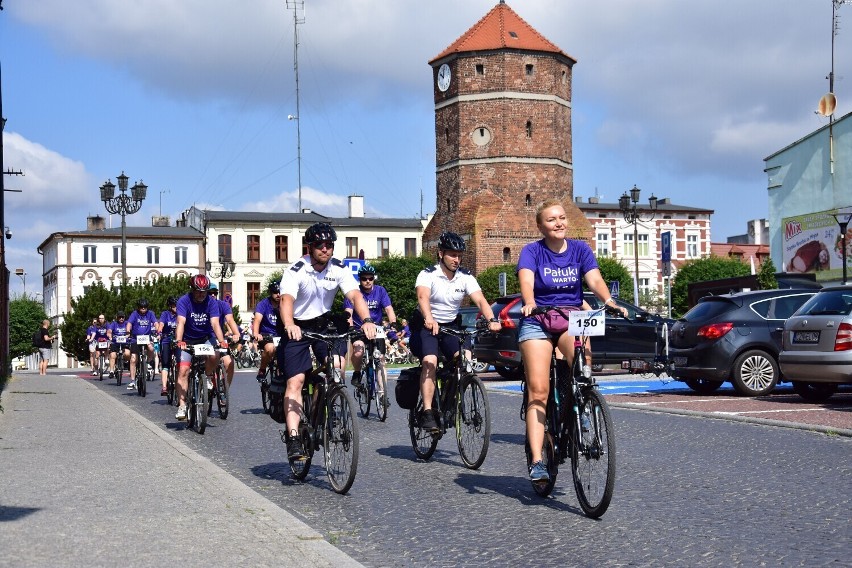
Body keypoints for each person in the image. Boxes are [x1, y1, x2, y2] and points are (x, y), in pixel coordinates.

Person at [517, 200, 627, 483]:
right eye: (552, 219)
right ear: (541, 226)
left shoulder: (580, 250)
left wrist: (609, 301)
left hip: (570, 317)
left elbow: (594, 279)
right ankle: (538, 460)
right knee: (539, 391)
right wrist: (529, 303)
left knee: (583, 361)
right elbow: (526, 281)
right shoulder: (532, 252)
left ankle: (582, 406)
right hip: (538, 319)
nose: (559, 223)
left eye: (562, 218)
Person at [277, 222, 376, 460]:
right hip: (298, 327)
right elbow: (286, 301)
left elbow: (355, 295)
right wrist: (289, 324)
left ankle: (328, 405)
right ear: (310, 247)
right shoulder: (296, 270)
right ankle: (293, 438)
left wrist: (368, 320)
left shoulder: (338, 268)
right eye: (320, 245)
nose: (325, 250)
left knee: (337, 367)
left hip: (324, 324)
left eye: (329, 245)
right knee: (296, 381)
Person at [411, 231, 501, 433]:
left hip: (451, 326)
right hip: (428, 326)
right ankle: (427, 411)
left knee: (465, 358)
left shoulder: (465, 277)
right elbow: (423, 297)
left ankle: (450, 399)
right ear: (441, 253)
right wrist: (429, 317)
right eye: (452, 255)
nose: (457, 259)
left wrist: (492, 319)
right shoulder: (428, 274)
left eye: (459, 255)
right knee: (430, 362)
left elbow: (480, 300)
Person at [173, 274, 228, 421]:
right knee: (184, 370)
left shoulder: (211, 302)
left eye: (204, 291)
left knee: (216, 354)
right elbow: (181, 322)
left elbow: (215, 324)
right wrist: (179, 340)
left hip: (205, 338)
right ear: (192, 289)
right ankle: (182, 405)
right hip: (187, 339)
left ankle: (208, 377)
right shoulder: (184, 301)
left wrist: (221, 341)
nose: (201, 294)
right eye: (198, 291)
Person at [344, 263, 398, 391]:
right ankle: (357, 373)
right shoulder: (354, 293)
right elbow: (348, 313)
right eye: (364, 278)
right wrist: (350, 328)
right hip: (358, 328)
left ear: (374, 278)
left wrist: (393, 323)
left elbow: (389, 308)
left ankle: (382, 392)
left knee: (381, 360)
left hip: (376, 329)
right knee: (358, 352)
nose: (367, 281)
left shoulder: (380, 290)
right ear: (359, 279)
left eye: (370, 278)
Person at [208, 282, 241, 393]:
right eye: (210, 293)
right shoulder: (202, 305)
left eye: (215, 293)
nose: (213, 295)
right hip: (205, 339)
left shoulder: (223, 305)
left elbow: (230, 320)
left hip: (219, 339)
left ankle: (224, 391)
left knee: (229, 363)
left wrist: (237, 334)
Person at [126, 298, 158, 390]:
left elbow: (155, 323)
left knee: (151, 349)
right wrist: (128, 332)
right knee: (133, 359)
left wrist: (157, 330)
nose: (143, 309)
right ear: (138, 307)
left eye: (145, 307)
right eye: (141, 307)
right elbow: (129, 324)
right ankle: (132, 381)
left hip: (147, 337)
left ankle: (148, 363)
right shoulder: (134, 314)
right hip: (136, 339)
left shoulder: (150, 313)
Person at [252, 281, 281, 381]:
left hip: (281, 335)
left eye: (280, 292)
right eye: (275, 292)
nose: (278, 294)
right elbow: (257, 320)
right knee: (270, 348)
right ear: (270, 292)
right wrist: (256, 333)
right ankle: (262, 369)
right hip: (266, 335)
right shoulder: (263, 304)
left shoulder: (285, 304)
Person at [157, 297, 178, 396]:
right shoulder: (165, 314)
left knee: (181, 364)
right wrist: (159, 331)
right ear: (170, 306)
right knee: (165, 364)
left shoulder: (181, 314)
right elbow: (161, 324)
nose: (176, 308)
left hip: (178, 341)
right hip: (166, 340)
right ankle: (164, 387)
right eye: (174, 306)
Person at [108, 311, 131, 379]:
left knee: (127, 354)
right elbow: (109, 331)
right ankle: (111, 371)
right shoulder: (114, 324)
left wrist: (127, 336)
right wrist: (110, 336)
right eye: (119, 317)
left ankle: (123, 362)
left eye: (122, 317)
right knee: (112, 355)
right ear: (117, 318)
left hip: (124, 342)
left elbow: (129, 332)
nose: (121, 318)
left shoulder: (126, 323)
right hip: (115, 342)